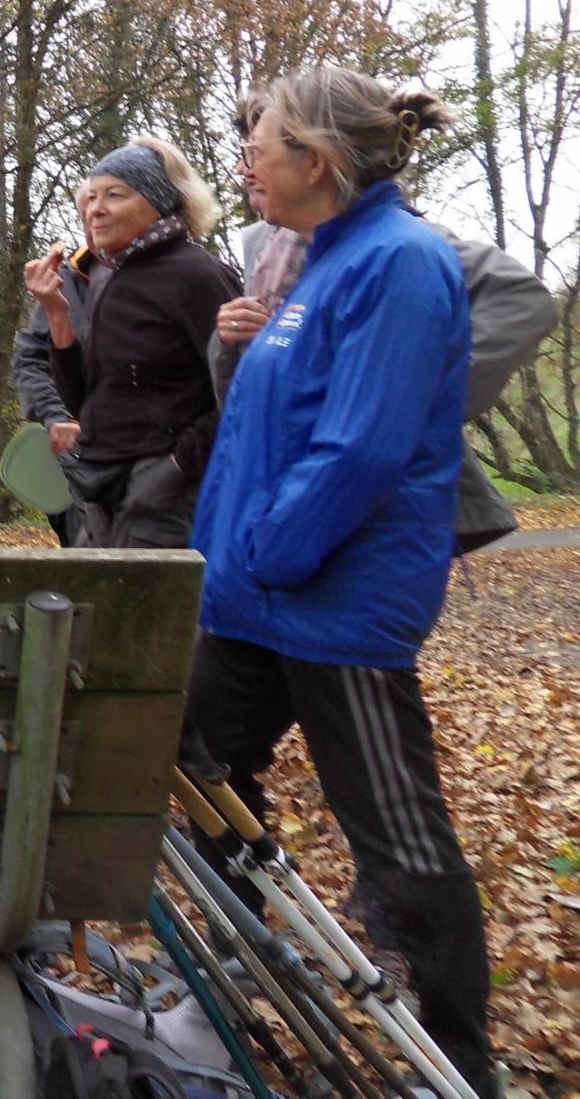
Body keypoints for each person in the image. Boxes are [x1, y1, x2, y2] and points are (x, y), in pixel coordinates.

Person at [187, 68, 498, 1097]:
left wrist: (268, 551)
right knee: (195, 771)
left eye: (262, 144)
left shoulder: (399, 263)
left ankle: (458, 1064)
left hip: (335, 605)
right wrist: (231, 564)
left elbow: (360, 449)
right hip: (254, 599)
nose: (245, 160)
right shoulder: (319, 263)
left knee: (399, 843)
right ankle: (234, 982)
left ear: (316, 162)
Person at [212, 91, 555, 554]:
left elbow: (522, 298)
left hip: (374, 511)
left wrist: (410, 400)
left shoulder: (397, 244)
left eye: (256, 152)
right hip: (283, 497)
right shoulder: (263, 249)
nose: (244, 168)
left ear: (313, 161)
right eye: (245, 151)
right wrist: (229, 340)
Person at [23, 138, 239, 548]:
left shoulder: (197, 274)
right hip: (101, 491)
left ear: (157, 201)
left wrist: (176, 467)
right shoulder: (112, 277)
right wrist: (57, 313)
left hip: (168, 497)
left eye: (115, 195)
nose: (95, 209)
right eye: (91, 197)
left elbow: (240, 392)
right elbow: (84, 401)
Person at [9, 180, 99, 545]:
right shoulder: (68, 280)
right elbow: (30, 361)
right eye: (85, 212)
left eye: (109, 201)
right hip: (76, 469)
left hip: (153, 477)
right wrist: (57, 416)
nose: (95, 218)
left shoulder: (182, 274)